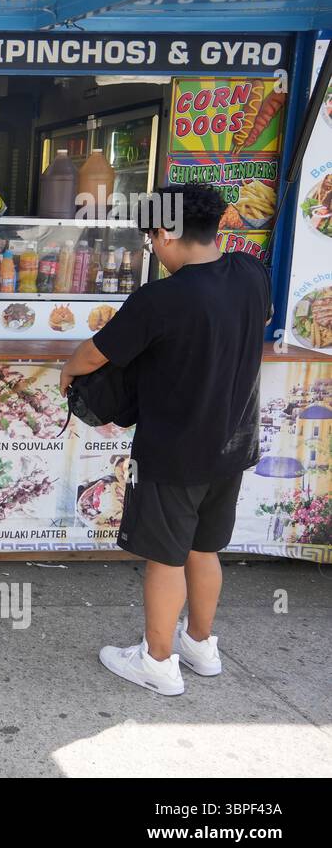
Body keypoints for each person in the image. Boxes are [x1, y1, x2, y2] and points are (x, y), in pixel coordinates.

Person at [61, 184, 270, 696]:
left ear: (169, 232)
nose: (152, 246)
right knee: (205, 549)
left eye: (152, 236)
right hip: (233, 444)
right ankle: (201, 646)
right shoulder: (251, 274)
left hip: (174, 450)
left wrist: (67, 372)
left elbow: (94, 354)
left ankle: (157, 663)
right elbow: (256, 323)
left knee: (166, 558)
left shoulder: (160, 298)